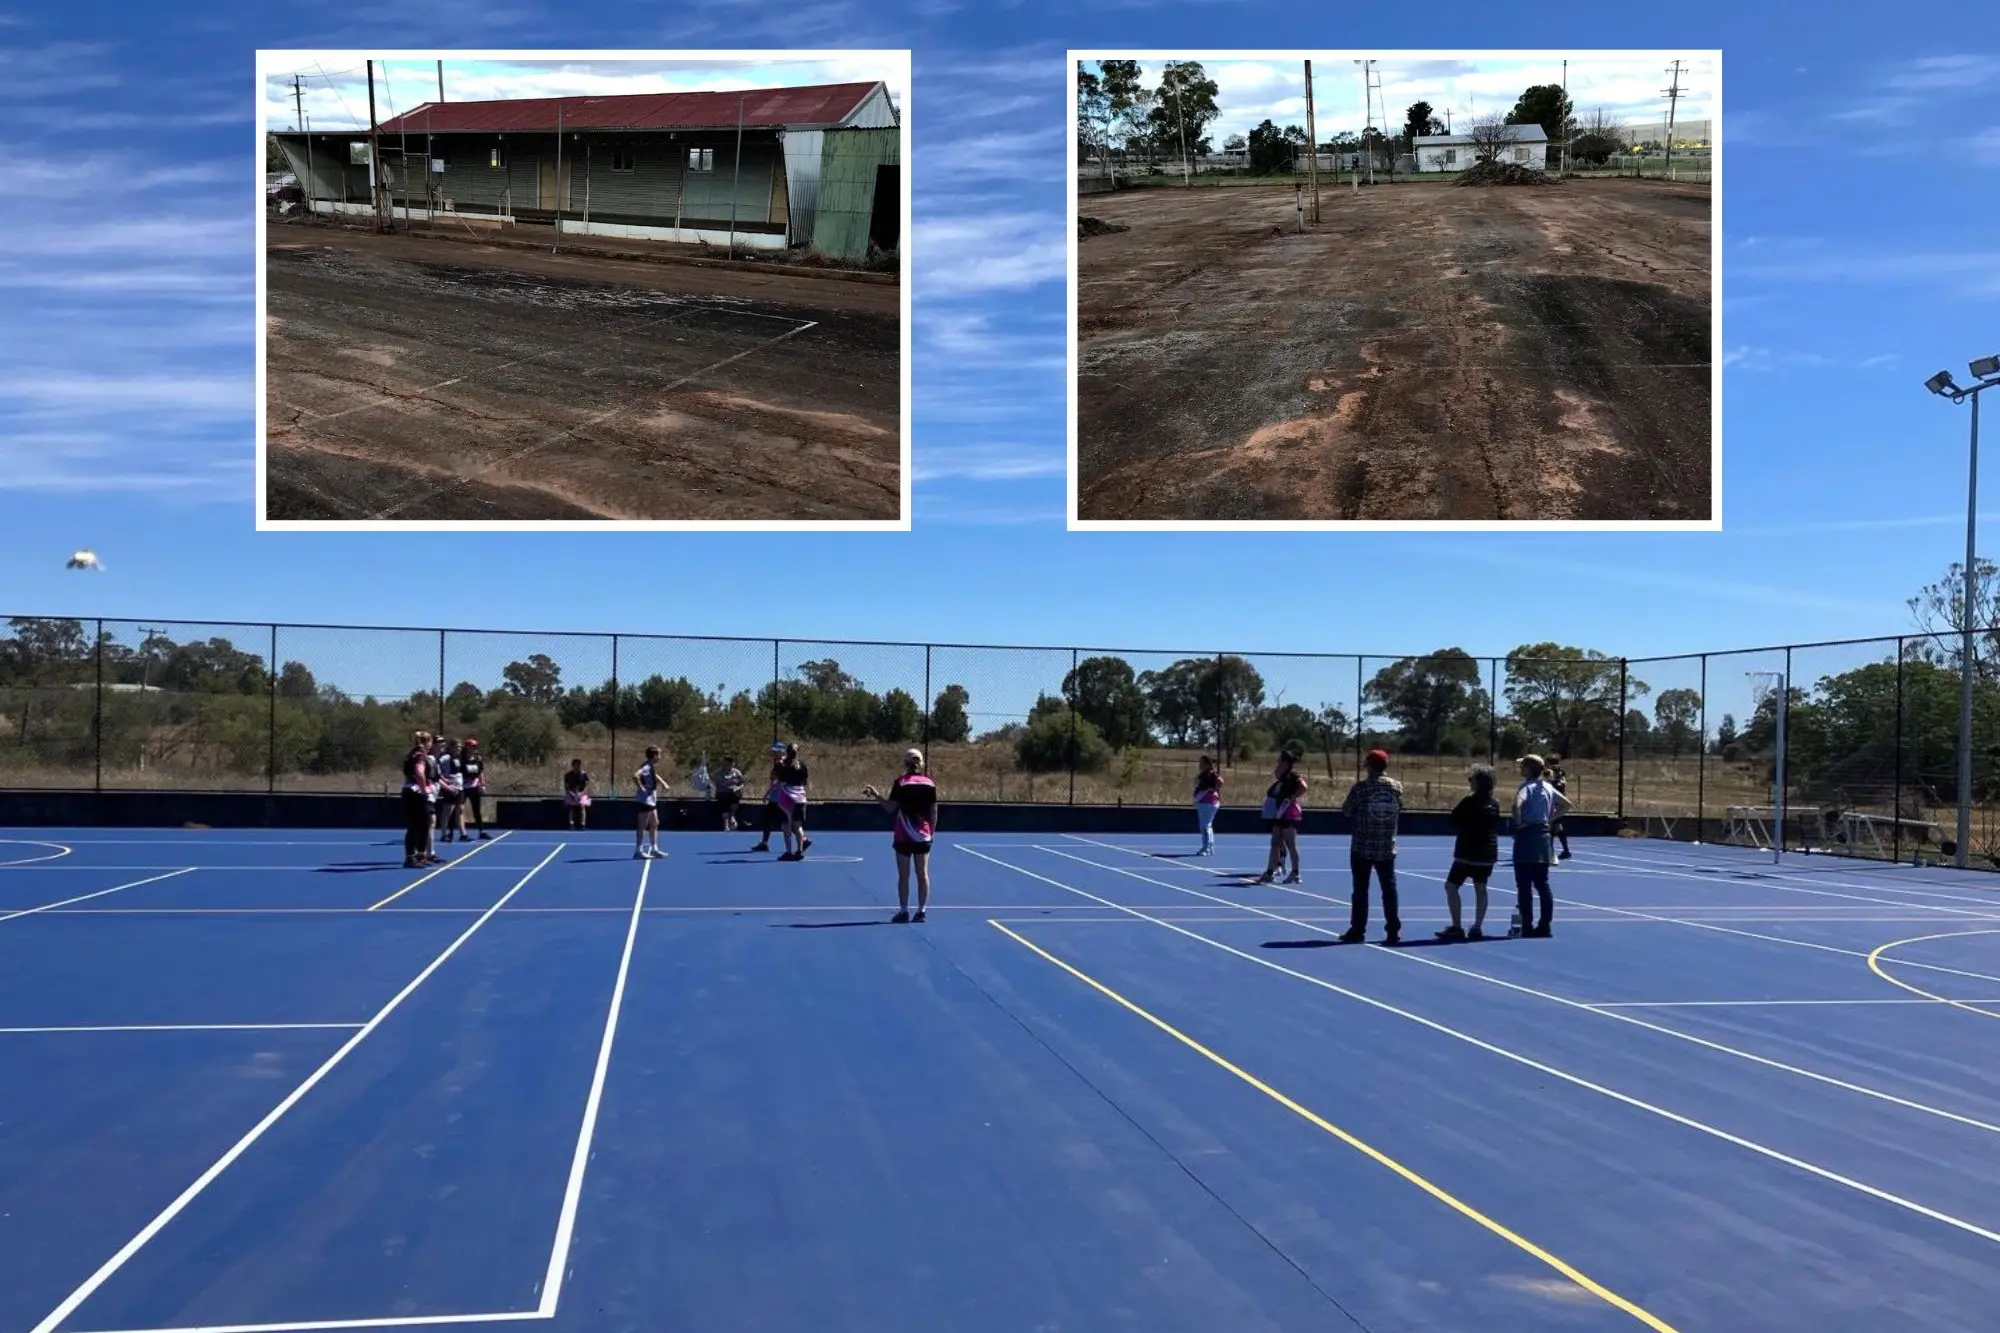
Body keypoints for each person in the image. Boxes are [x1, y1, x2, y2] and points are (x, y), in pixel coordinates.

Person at [865, 749, 938, 922]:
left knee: (904, 875)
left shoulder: (901, 782)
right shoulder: (930, 783)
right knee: (922, 873)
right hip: (923, 834)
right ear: (921, 763)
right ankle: (921, 911)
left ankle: (904, 911)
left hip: (903, 834)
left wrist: (876, 795)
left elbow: (890, 808)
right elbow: (934, 810)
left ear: (905, 764)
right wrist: (932, 832)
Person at [1340, 749, 1403, 945]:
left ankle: (1358, 930)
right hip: (1386, 846)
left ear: (1368, 766)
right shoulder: (1396, 787)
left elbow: (1347, 810)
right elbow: (1400, 808)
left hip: (1363, 846)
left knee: (1360, 890)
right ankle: (1393, 930)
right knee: (1389, 889)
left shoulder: (1361, 788)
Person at [1438, 765, 1501, 941]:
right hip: (1487, 852)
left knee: (1451, 886)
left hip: (1467, 852)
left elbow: (1453, 820)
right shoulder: (1494, 804)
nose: (1469, 782)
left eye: (1471, 779)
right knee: (1481, 888)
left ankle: (1457, 926)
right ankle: (1477, 926)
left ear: (1478, 783)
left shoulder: (1469, 801)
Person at [1513, 754, 1572, 938]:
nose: (1520, 769)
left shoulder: (1526, 788)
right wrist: (1549, 818)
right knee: (1542, 883)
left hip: (1527, 835)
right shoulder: (1548, 787)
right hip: (1544, 836)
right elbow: (1566, 804)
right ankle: (1545, 925)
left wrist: (1519, 823)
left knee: (1524, 884)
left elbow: (1516, 805)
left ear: (1529, 769)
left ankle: (1527, 925)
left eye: (1522, 766)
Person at [1255, 750, 1307, 885]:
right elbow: (1277, 773)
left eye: (1280, 760)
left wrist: (1292, 797)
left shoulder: (1293, 776)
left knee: (1290, 844)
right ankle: (1270, 872)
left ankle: (1295, 873)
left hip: (1288, 812)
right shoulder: (1283, 776)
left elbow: (1303, 787)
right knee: (1275, 842)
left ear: (1285, 762)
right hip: (1279, 813)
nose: (1277, 762)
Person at [400, 731, 435, 869]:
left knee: (425, 823)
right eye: (430, 742)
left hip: (411, 791)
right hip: (415, 792)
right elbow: (419, 772)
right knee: (416, 825)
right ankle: (410, 857)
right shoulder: (419, 755)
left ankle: (421, 854)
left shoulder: (413, 754)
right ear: (427, 742)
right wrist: (424, 788)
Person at [774, 742, 811, 861]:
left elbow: (779, 778)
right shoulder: (802, 764)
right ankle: (799, 851)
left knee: (786, 825)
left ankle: (788, 852)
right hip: (800, 796)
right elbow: (805, 781)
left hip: (787, 796)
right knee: (798, 825)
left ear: (787, 752)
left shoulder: (782, 764)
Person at [749, 742, 788, 852]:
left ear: (781, 751)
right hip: (775, 798)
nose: (773, 753)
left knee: (783, 822)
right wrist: (768, 793)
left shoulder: (783, 764)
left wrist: (773, 789)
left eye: (775, 751)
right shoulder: (778, 763)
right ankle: (764, 843)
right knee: (768, 819)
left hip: (780, 798)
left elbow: (783, 780)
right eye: (773, 751)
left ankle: (803, 840)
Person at [634, 746, 668, 859]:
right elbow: (635, 776)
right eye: (658, 755)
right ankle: (638, 851)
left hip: (651, 799)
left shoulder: (650, 766)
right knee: (642, 825)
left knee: (655, 822)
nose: (660, 757)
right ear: (654, 756)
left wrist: (663, 783)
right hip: (645, 799)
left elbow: (654, 775)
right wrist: (641, 787)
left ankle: (654, 848)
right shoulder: (646, 766)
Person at [460, 737, 491, 840]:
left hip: (474, 787)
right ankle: (460, 833)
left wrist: (482, 785)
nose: (474, 748)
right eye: (472, 746)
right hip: (463, 787)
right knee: (460, 809)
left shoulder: (477, 759)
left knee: (477, 810)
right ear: (467, 747)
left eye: (475, 746)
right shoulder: (461, 759)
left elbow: (481, 772)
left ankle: (481, 831)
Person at [435, 739, 465, 843]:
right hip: (450, 786)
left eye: (460, 747)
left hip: (459, 786)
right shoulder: (445, 758)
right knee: (447, 810)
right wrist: (444, 780)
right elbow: (437, 770)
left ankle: (463, 834)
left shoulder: (459, 758)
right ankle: (444, 834)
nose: (459, 749)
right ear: (451, 747)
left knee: (460, 809)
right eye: (457, 747)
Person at [1193, 754, 1223, 856]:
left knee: (1205, 826)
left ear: (1207, 764)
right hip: (1204, 802)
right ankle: (1210, 847)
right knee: (1207, 825)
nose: (1199, 765)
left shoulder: (1210, 774)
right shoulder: (1204, 775)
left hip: (1207, 803)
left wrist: (1213, 789)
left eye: (1202, 763)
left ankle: (1206, 848)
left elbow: (1220, 781)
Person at [1548, 758, 1574, 860]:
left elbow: (1556, 786)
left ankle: (1550, 851)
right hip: (1559, 804)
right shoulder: (1561, 777)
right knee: (1557, 827)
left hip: (1557, 804)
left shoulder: (1557, 779)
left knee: (1552, 826)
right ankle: (1565, 850)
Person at [715, 756, 745, 831]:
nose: (727, 766)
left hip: (734, 792)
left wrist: (737, 788)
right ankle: (726, 824)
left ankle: (732, 815)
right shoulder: (719, 773)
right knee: (724, 797)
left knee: (737, 794)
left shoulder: (737, 772)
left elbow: (742, 784)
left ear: (733, 764)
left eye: (730, 764)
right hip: (723, 792)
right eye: (726, 764)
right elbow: (719, 785)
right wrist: (729, 787)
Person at [563, 758, 592, 830]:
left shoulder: (584, 774)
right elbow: (566, 787)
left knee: (582, 807)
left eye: (579, 765)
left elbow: (587, 785)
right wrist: (573, 794)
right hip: (571, 793)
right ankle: (571, 824)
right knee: (571, 808)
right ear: (573, 766)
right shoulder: (568, 775)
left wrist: (581, 794)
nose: (578, 766)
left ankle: (583, 824)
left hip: (582, 793)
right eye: (576, 765)